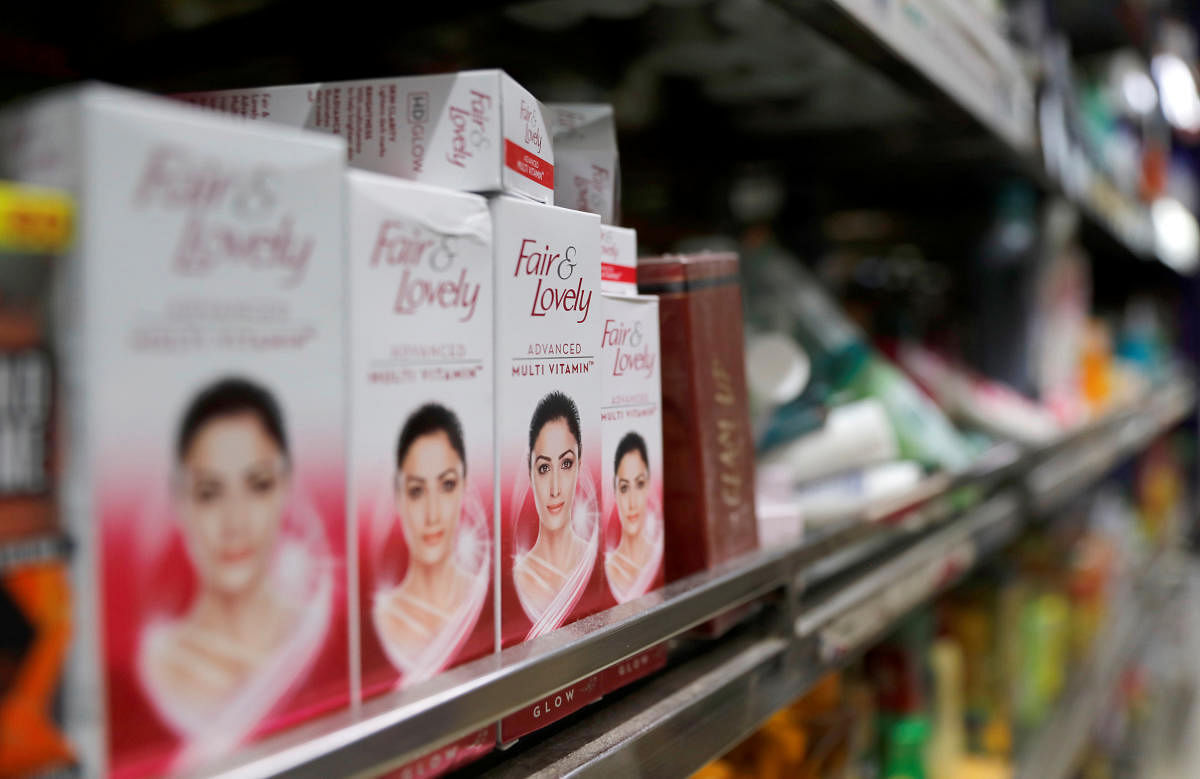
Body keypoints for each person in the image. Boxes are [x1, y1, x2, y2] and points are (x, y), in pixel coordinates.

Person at [140, 377, 324, 735]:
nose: (235, 522)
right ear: (180, 501)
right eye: (209, 493)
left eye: (258, 485)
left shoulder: (315, 635)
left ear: (285, 488)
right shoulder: (156, 663)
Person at [374, 403, 486, 681]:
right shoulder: (380, 619)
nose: (433, 513)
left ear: (464, 486)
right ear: (398, 496)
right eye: (416, 491)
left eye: (447, 485)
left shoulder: (482, 598)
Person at [513, 391, 591, 621]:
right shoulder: (517, 578)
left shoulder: (593, 561)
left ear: (580, 463)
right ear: (530, 470)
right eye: (544, 468)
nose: (555, 488)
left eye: (566, 463)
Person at [605, 432, 662, 602]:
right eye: (624, 488)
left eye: (639, 484)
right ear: (615, 491)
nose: (632, 503)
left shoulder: (656, 555)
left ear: (649, 484)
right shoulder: (609, 569)